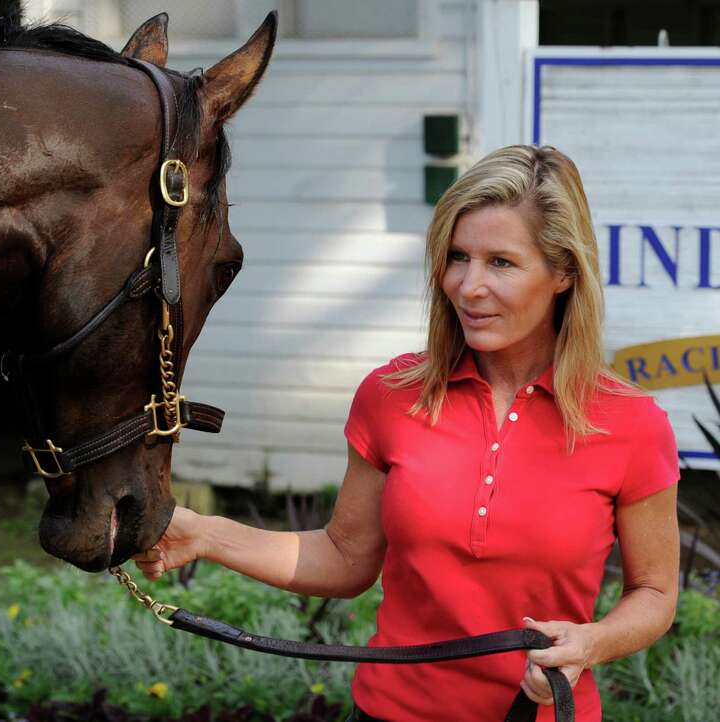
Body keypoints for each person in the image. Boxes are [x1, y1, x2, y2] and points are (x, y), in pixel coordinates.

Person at [133, 145, 680, 722]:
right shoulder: (392, 395)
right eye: (458, 257)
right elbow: (346, 557)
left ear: (564, 273)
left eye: (501, 263)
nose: (468, 286)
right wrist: (205, 535)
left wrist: (590, 642)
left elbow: (655, 593)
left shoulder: (628, 423)